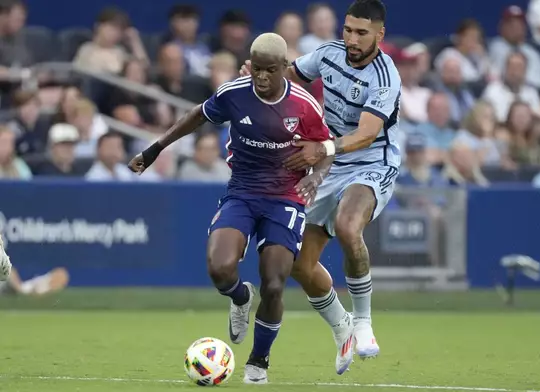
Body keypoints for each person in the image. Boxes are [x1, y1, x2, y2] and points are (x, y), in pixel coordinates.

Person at [128, 33, 334, 385]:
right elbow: (197, 115)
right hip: (241, 192)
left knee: (274, 282)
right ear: (250, 65)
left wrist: (317, 177)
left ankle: (258, 361)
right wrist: (155, 149)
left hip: (286, 198)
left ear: (285, 68)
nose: (263, 77)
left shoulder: (303, 104)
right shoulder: (233, 93)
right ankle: (240, 297)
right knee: (220, 269)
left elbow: (326, 147)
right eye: (257, 69)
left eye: (271, 70)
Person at [240, 0, 401, 374]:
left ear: (379, 34)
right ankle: (341, 325)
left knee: (347, 226)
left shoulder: (385, 75)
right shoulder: (328, 55)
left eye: (361, 32)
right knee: (297, 262)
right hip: (328, 164)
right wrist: (259, 76)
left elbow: (365, 134)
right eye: (347, 30)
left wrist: (322, 147)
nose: (352, 39)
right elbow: (291, 76)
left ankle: (363, 322)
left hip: (371, 162)